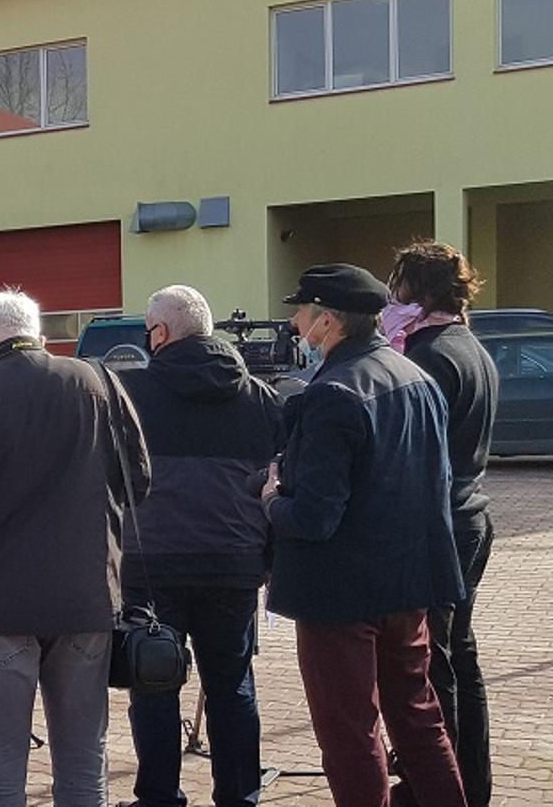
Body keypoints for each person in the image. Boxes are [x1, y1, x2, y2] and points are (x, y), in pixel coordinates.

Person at [0, 289, 150, 806]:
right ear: (37, 333)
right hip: (86, 601)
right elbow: (139, 483)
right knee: (85, 766)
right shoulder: (100, 382)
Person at [262, 264, 467, 807]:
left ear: (328, 321)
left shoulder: (332, 393)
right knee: (419, 719)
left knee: (350, 733)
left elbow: (314, 517)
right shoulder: (415, 376)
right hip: (408, 585)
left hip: (342, 595)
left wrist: (270, 500)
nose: (293, 323)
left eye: (300, 313)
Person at [116, 286, 283, 807]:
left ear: (160, 333)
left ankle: (159, 797)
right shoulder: (261, 396)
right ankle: (239, 796)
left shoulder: (129, 393)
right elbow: (280, 478)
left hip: (150, 564)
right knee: (232, 685)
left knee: (154, 682)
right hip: (233, 564)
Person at [387, 242, 499, 807]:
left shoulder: (427, 355)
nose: (390, 293)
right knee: (461, 655)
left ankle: (437, 787)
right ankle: (471, 785)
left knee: (434, 666)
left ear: (417, 289)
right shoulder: (470, 345)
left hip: (440, 525)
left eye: (397, 282)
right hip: (471, 517)